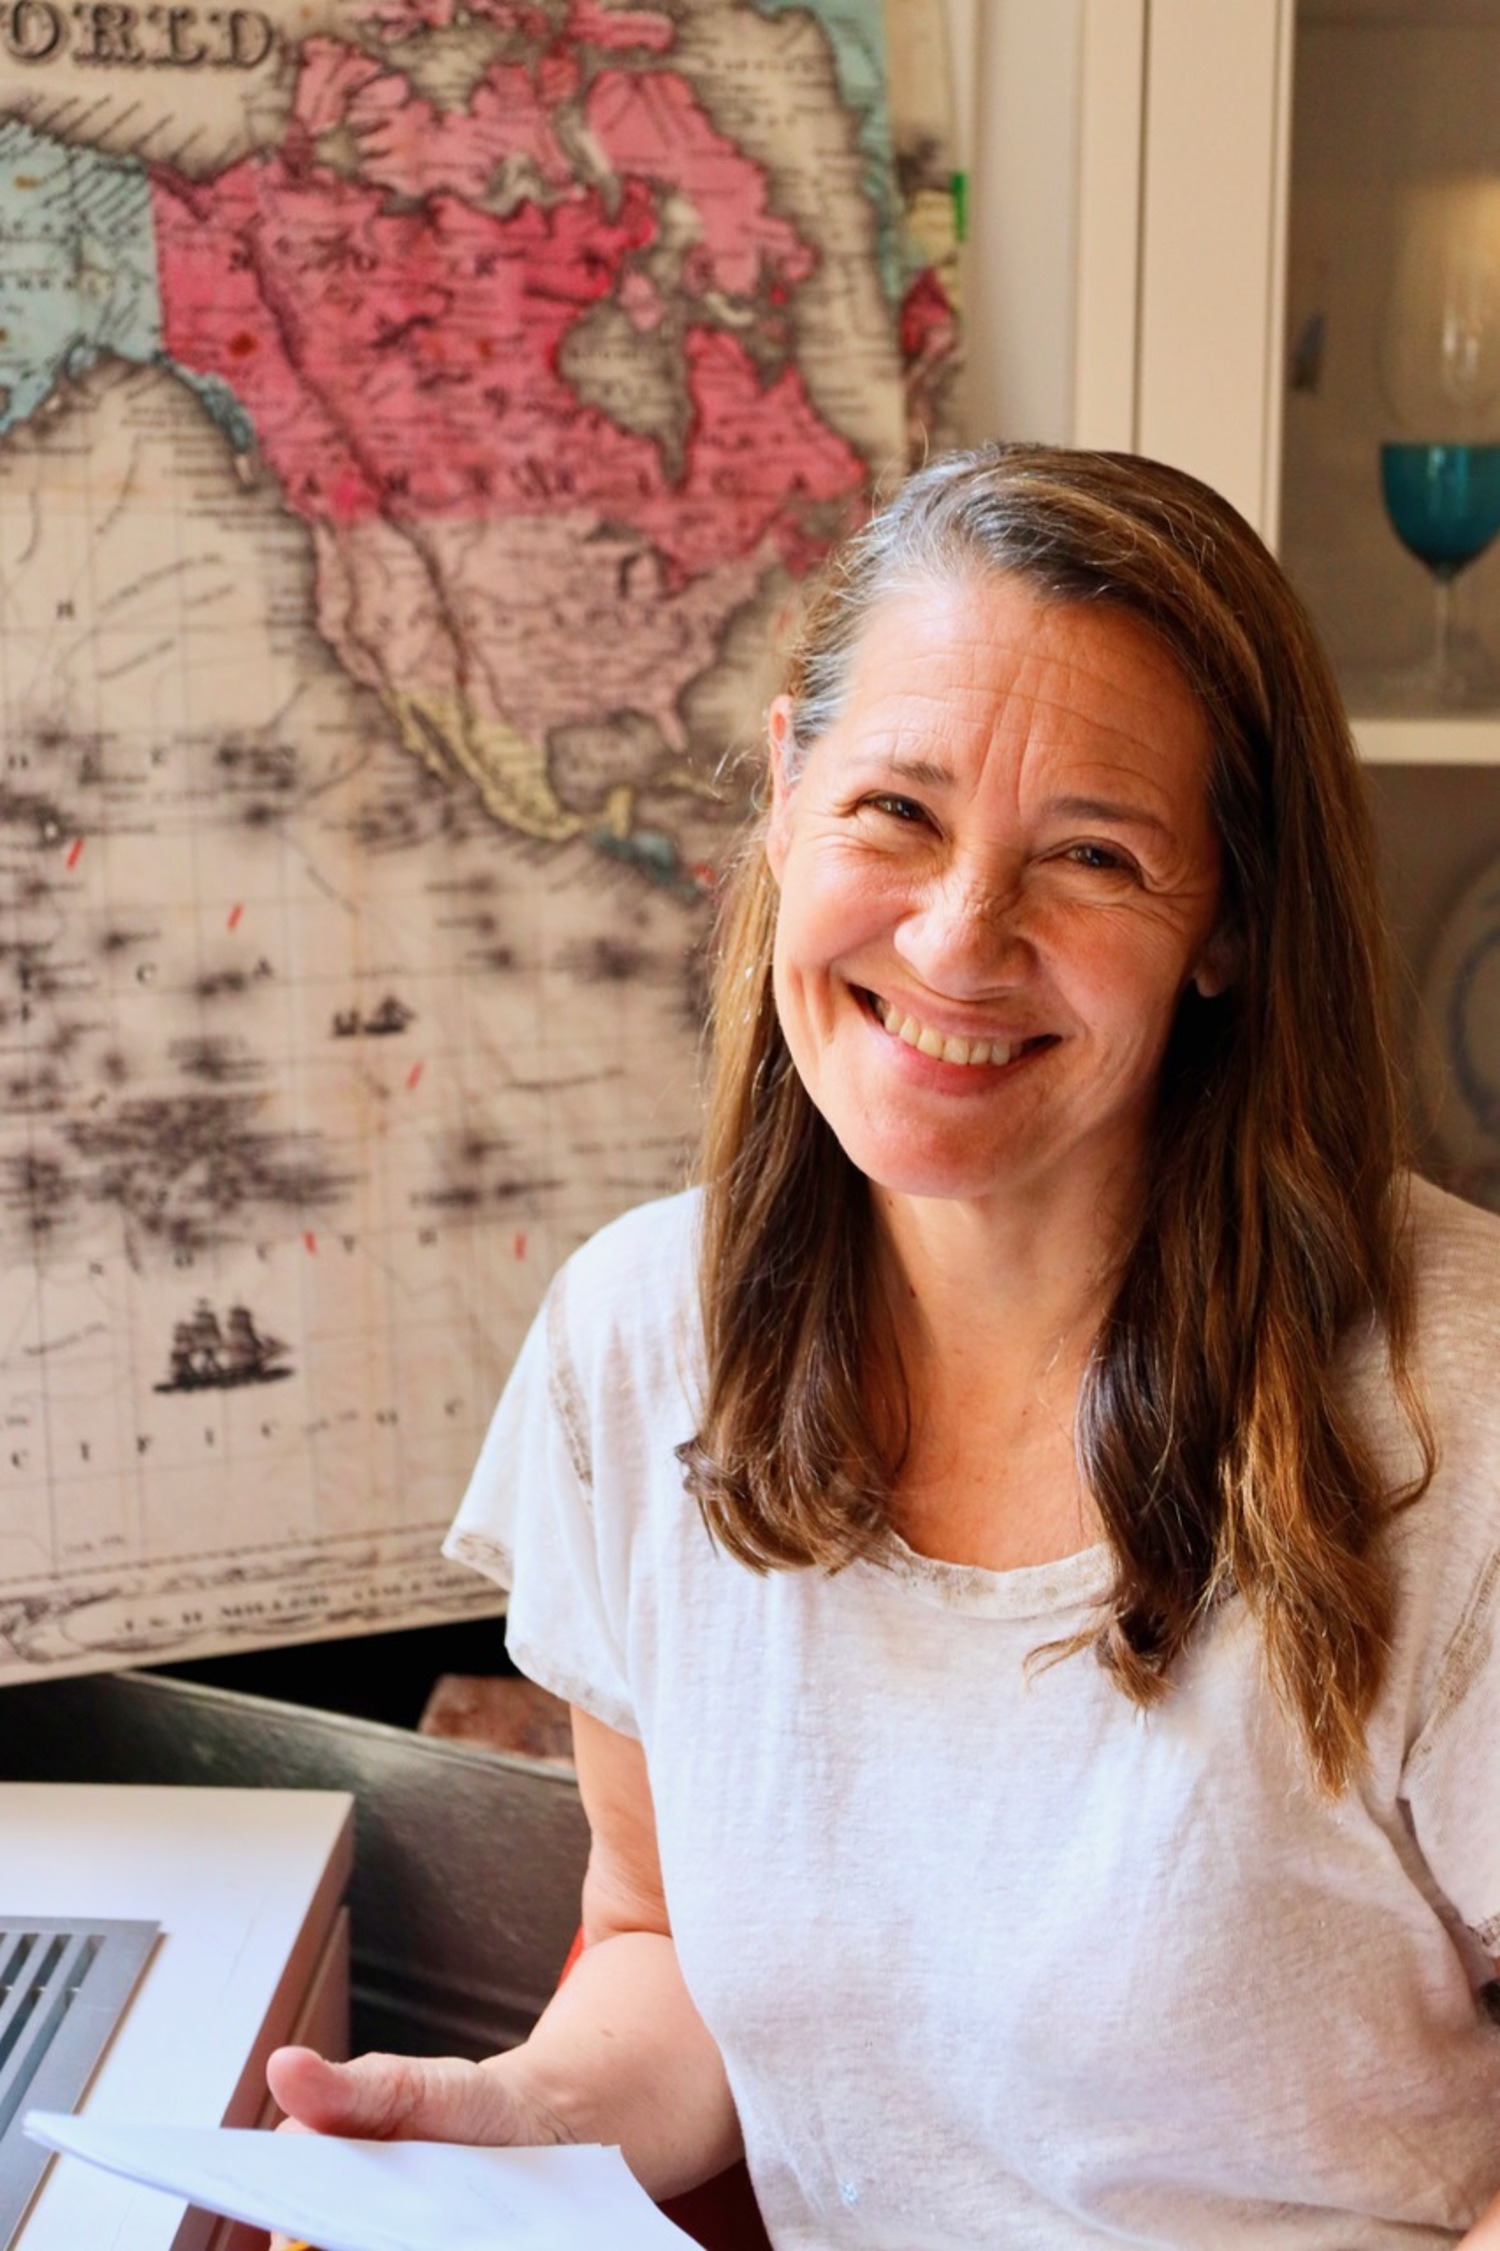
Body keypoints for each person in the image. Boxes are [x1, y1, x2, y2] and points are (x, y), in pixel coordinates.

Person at [268, 446, 1500, 2246]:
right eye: (893, 814)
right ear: (782, 795)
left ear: (1227, 917)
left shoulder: (1453, 1401)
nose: (956, 938)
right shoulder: (639, 1342)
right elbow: (666, 1939)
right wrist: (516, 2118)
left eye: (1091, 854)